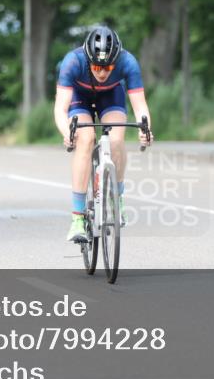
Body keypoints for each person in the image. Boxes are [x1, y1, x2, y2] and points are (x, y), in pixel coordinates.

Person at [54, 26, 153, 242]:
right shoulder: (73, 61)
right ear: (88, 59)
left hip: (111, 96)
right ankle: (78, 218)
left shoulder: (128, 62)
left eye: (107, 67)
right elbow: (60, 108)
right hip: (79, 97)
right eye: (97, 66)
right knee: (86, 138)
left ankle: (116, 198)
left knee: (116, 140)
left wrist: (145, 130)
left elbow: (140, 107)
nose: (101, 72)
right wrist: (66, 132)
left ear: (116, 61)